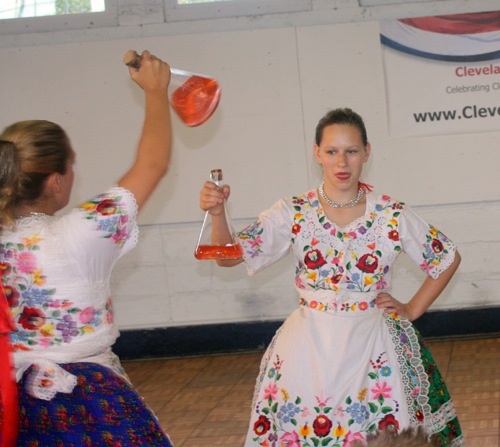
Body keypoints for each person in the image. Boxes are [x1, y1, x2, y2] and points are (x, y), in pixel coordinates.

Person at [199, 108, 464, 447]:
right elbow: (227, 259)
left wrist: (412, 309)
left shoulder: (390, 214)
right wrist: (218, 215)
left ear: (366, 153)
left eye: (351, 151)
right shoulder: (293, 211)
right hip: (306, 350)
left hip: (374, 347)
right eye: (332, 151)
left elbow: (446, 258)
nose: (342, 162)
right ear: (317, 153)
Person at [0, 51, 173, 446]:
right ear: (56, 180)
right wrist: (155, 91)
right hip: (90, 402)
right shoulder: (80, 234)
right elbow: (153, 163)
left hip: (16, 406)